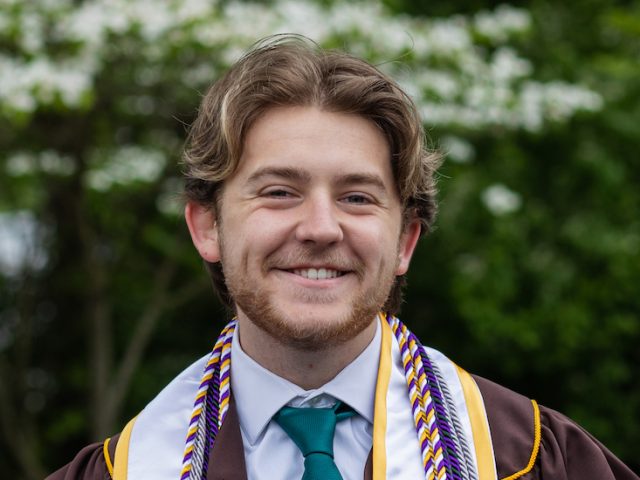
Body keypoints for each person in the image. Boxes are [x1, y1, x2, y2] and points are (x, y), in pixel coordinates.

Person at [48, 35, 638, 480]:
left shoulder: (535, 460)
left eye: (357, 197)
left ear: (405, 240)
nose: (321, 228)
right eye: (279, 191)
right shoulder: (124, 468)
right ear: (207, 226)